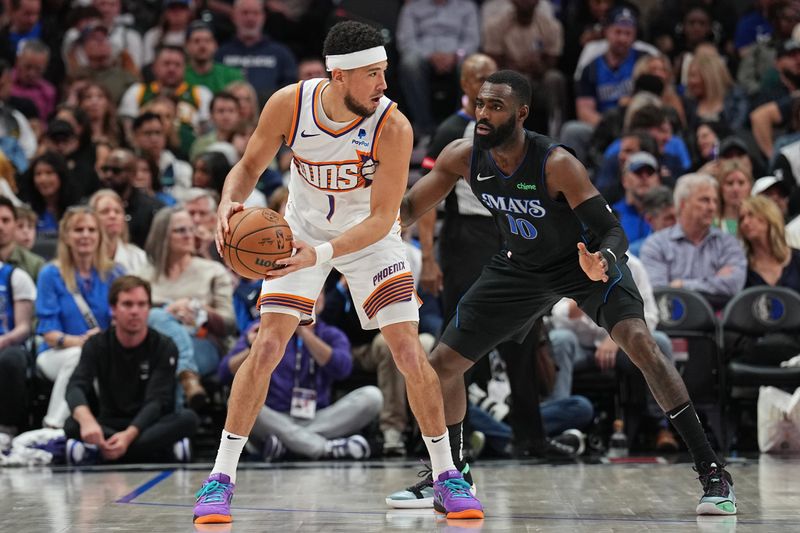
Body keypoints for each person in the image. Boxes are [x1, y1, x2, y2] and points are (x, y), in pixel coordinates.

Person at [397, 70, 736, 515]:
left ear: (521, 113)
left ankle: (712, 471)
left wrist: (604, 263)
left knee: (642, 345)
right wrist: (358, 230)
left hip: (584, 262)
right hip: (520, 266)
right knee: (442, 364)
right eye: (480, 104)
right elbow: (405, 209)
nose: (483, 114)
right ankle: (450, 474)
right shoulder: (462, 155)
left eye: (495, 106)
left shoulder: (556, 163)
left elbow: (611, 230)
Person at [194, 21, 483, 524]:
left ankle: (446, 476)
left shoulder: (393, 127)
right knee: (266, 346)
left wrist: (322, 254)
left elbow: (379, 219)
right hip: (298, 231)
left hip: (369, 239)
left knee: (409, 350)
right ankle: (219, 478)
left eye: (384, 72)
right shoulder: (289, 103)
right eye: (373, 74)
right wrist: (228, 202)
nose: (383, 84)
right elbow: (248, 166)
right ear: (340, 75)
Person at [218, 302, 383, 461]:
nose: (310, 300)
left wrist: (304, 332)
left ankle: (286, 446)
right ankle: (324, 448)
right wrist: (252, 347)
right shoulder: (263, 330)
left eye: (317, 295)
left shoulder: (330, 333)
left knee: (372, 396)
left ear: (322, 303)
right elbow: (224, 373)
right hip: (273, 416)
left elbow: (343, 369)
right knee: (238, 401)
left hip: (317, 417)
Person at [64, 275, 199, 463]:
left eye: (142, 304)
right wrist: (87, 421)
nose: (135, 311)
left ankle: (104, 450)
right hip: (109, 422)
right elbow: (75, 386)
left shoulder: (164, 346)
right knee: (71, 424)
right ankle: (153, 450)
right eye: (127, 304)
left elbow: (157, 401)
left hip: (149, 423)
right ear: (113, 309)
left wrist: (127, 437)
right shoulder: (96, 345)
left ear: (149, 309)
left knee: (188, 419)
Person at [35, 206, 124, 429]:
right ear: (66, 235)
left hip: (104, 353)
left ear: (100, 235)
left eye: (91, 230)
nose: (85, 235)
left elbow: (121, 320)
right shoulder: (50, 274)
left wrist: (100, 343)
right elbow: (49, 334)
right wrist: (84, 342)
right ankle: (53, 427)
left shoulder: (116, 273)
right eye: (78, 229)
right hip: (57, 353)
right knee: (78, 355)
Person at [640, 173, 747, 309]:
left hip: (718, 325)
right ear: (683, 204)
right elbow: (658, 292)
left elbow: (733, 285)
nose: (712, 207)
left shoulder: (728, 243)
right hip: (672, 325)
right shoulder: (656, 244)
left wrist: (681, 285)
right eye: (704, 200)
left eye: (715, 201)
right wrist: (714, 282)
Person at [0, 198, 37, 436]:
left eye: (5, 220)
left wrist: (3, 341)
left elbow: (24, 326)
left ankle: (7, 428)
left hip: (9, 342)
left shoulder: (17, 275)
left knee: (11, 359)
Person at [97, 148, 165, 248]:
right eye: (105, 169)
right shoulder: (91, 204)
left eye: (116, 171)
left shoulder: (152, 208)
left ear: (133, 174)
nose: (108, 175)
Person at [739, 194, 800, 292]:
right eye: (741, 218)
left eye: (751, 215)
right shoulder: (741, 266)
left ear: (769, 216)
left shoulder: (797, 259)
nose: (745, 222)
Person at [88, 189, 149, 273]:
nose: (113, 216)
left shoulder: (138, 257)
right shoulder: (84, 256)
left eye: (117, 211)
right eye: (105, 211)